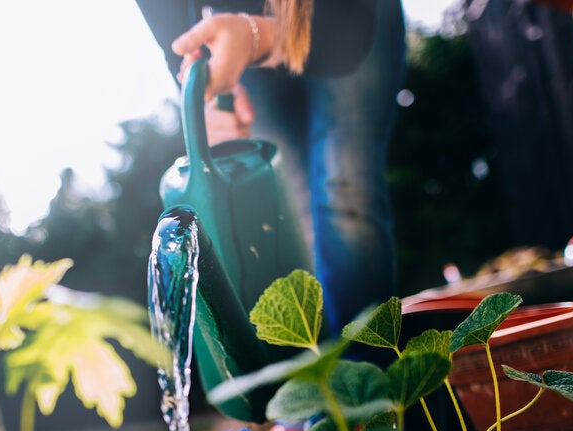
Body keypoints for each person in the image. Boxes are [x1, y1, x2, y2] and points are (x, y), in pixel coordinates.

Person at [134, 0, 407, 338]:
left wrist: (256, 36)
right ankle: (324, 361)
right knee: (290, 208)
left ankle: (372, 356)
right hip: (238, 39)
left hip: (343, 17)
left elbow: (347, 38)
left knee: (346, 189)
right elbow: (173, 35)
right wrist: (203, 96)